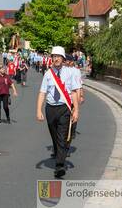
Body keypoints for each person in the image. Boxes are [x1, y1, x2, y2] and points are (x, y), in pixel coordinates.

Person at [36, 46, 81, 178]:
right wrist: (38, 110)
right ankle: (58, 153)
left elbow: (73, 92)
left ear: (63, 59)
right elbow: (42, 92)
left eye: (58, 56)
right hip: (50, 108)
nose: (55, 59)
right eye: (53, 56)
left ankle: (60, 165)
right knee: (54, 135)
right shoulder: (48, 74)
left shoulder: (70, 72)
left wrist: (76, 110)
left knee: (62, 137)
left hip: (64, 108)